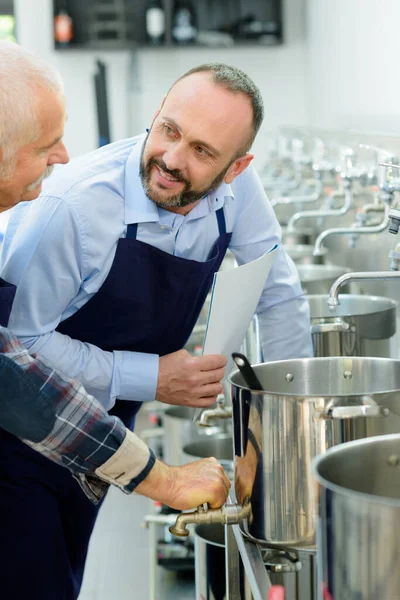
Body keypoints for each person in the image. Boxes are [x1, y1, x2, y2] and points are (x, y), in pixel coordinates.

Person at [1, 58, 314, 597]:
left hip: (102, 434)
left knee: (62, 576)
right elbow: (19, 358)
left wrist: (298, 438)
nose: (171, 159)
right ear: (155, 115)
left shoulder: (237, 192)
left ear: (235, 168)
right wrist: (152, 381)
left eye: (202, 151)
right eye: (169, 130)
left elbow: (277, 289)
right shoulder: (69, 207)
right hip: (21, 442)